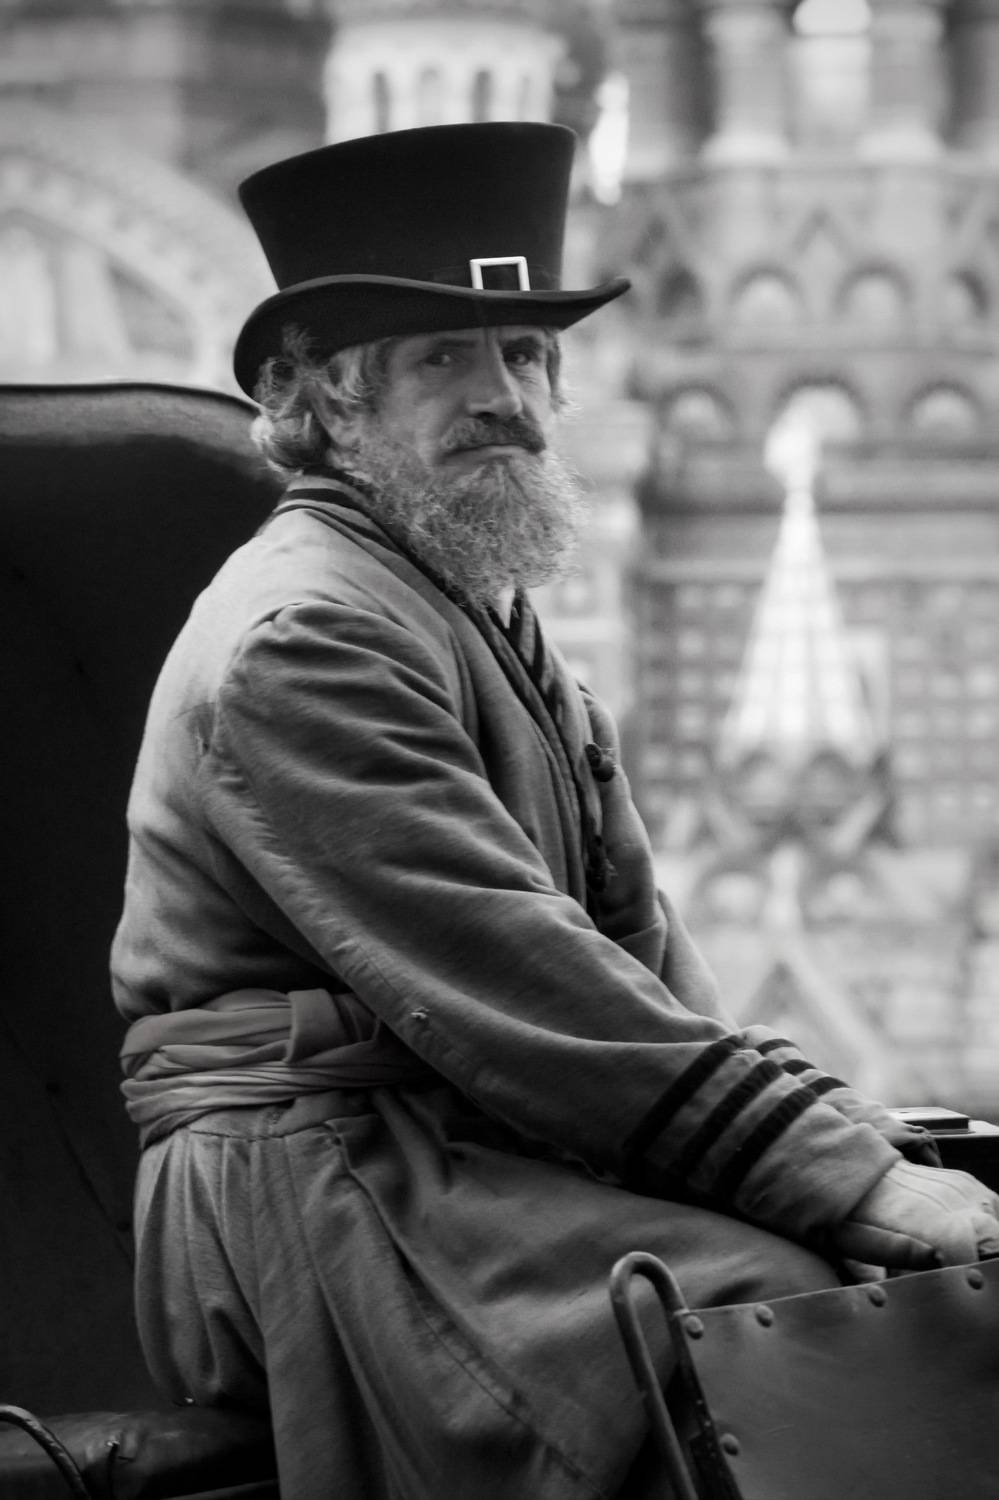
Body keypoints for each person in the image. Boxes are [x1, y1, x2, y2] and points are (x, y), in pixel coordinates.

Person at [111, 122, 999, 1500]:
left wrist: (850, 1136)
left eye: (525, 355)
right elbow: (521, 978)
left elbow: (640, 962)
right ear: (326, 404)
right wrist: (846, 1181)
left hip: (468, 1154)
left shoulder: (478, 613)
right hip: (336, 1187)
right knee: (787, 1315)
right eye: (443, 360)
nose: (506, 399)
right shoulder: (309, 636)